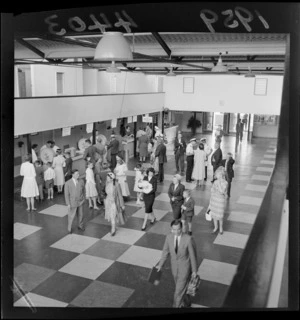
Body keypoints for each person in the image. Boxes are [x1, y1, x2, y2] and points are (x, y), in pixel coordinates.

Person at [156, 220, 198, 308]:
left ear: (181, 228)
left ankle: (176, 306)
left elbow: (192, 256)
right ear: (171, 229)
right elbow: (165, 253)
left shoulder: (188, 239)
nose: (176, 231)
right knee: (182, 288)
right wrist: (160, 265)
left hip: (185, 269)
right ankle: (187, 302)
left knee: (178, 292)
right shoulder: (168, 237)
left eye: (178, 229)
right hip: (174, 268)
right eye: (174, 229)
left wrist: (194, 271)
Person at [104, 172, 126, 236]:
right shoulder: (106, 183)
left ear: (111, 178)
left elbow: (120, 195)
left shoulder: (116, 185)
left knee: (112, 215)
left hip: (114, 202)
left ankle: (113, 229)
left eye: (107, 177)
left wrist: (122, 205)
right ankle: (113, 226)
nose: (106, 179)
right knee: (111, 216)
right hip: (108, 202)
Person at [64, 169, 86, 234]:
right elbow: (66, 194)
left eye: (78, 174)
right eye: (76, 174)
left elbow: (84, 190)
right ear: (72, 175)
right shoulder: (68, 183)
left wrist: (84, 198)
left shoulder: (81, 181)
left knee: (81, 215)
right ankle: (69, 228)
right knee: (71, 216)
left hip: (80, 201)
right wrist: (68, 203)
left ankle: (80, 225)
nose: (78, 175)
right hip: (72, 202)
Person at [209, 167, 228, 234]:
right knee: (214, 215)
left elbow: (222, 191)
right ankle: (216, 227)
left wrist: (219, 183)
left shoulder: (225, 182)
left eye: (216, 174)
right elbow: (212, 190)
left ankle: (220, 227)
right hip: (214, 200)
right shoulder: (215, 181)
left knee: (220, 216)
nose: (215, 175)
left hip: (220, 201)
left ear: (220, 175)